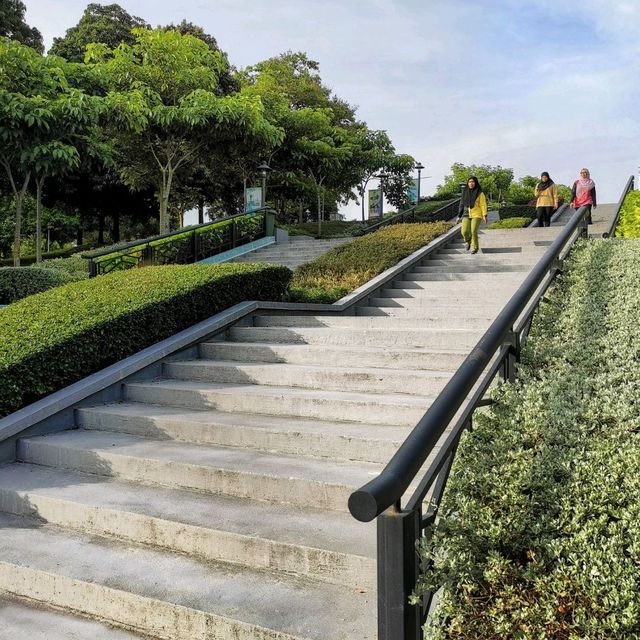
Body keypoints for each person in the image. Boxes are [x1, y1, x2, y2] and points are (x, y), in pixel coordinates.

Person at [457, 176, 488, 254]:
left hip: (476, 214)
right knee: (464, 231)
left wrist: (484, 215)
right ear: (468, 183)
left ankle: (475, 248)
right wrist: (459, 216)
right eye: (470, 182)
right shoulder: (465, 192)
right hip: (466, 214)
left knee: (473, 231)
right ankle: (468, 241)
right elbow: (461, 204)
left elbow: (483, 204)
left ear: (476, 183)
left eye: (473, 182)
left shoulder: (480, 193)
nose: (471, 183)